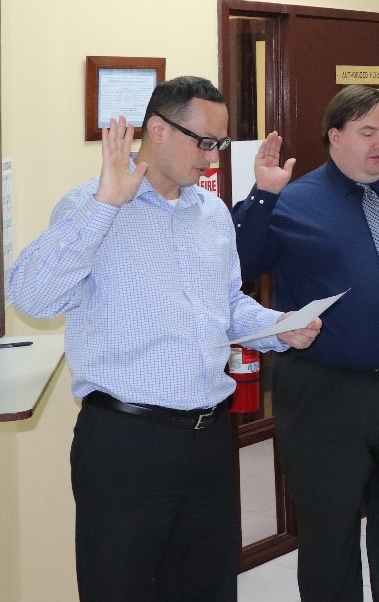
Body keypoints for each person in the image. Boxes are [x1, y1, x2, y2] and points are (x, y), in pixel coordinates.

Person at [6, 76, 322, 601]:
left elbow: (225, 307)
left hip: (209, 440)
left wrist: (278, 327)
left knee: (208, 588)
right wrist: (107, 203)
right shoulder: (91, 206)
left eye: (219, 145)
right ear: (156, 128)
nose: (212, 159)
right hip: (127, 444)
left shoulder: (212, 214)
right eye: (204, 143)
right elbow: (32, 298)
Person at [232, 85, 379, 601]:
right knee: (328, 533)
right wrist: (263, 195)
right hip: (326, 394)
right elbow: (241, 264)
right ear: (335, 137)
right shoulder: (293, 202)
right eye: (366, 133)